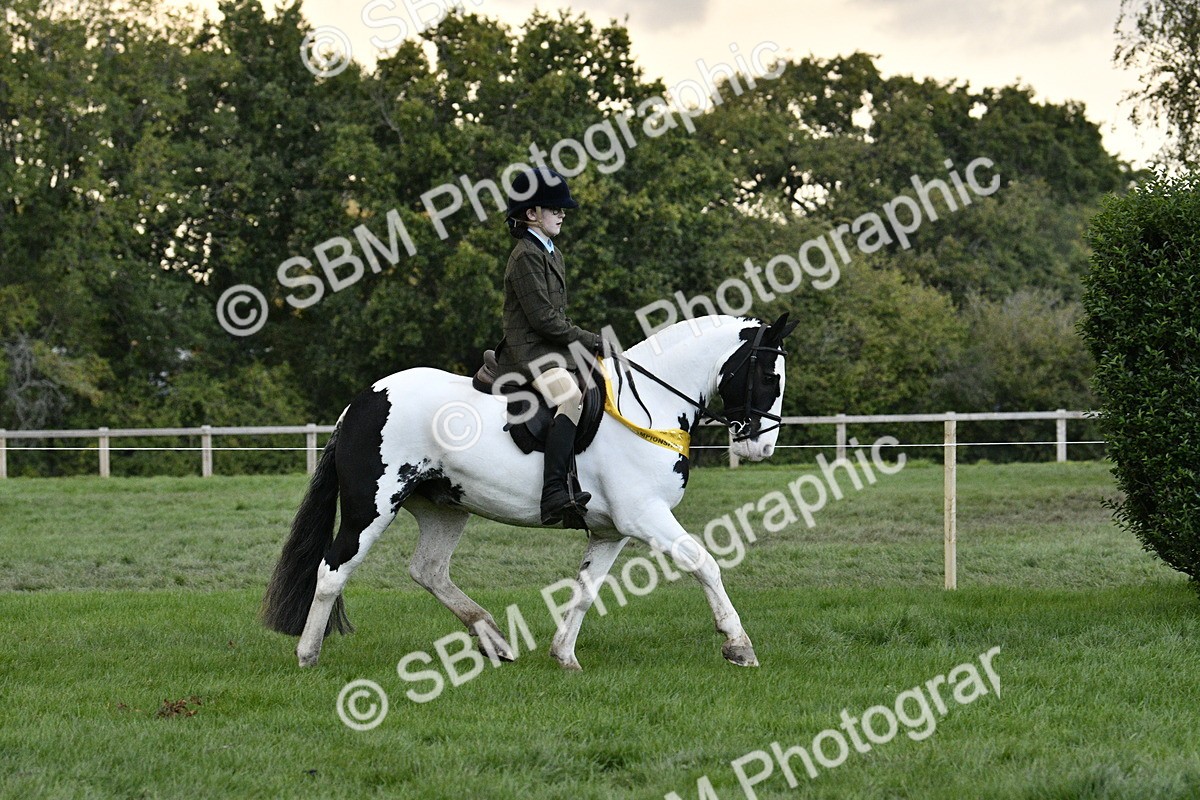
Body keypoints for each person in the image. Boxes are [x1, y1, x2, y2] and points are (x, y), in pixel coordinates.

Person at [497, 167, 603, 526]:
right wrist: (591, 340)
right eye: (554, 208)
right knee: (571, 397)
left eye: (562, 209)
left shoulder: (551, 252)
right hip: (530, 356)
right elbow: (544, 318)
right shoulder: (526, 255)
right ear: (531, 214)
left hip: (552, 351)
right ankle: (554, 492)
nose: (562, 213)